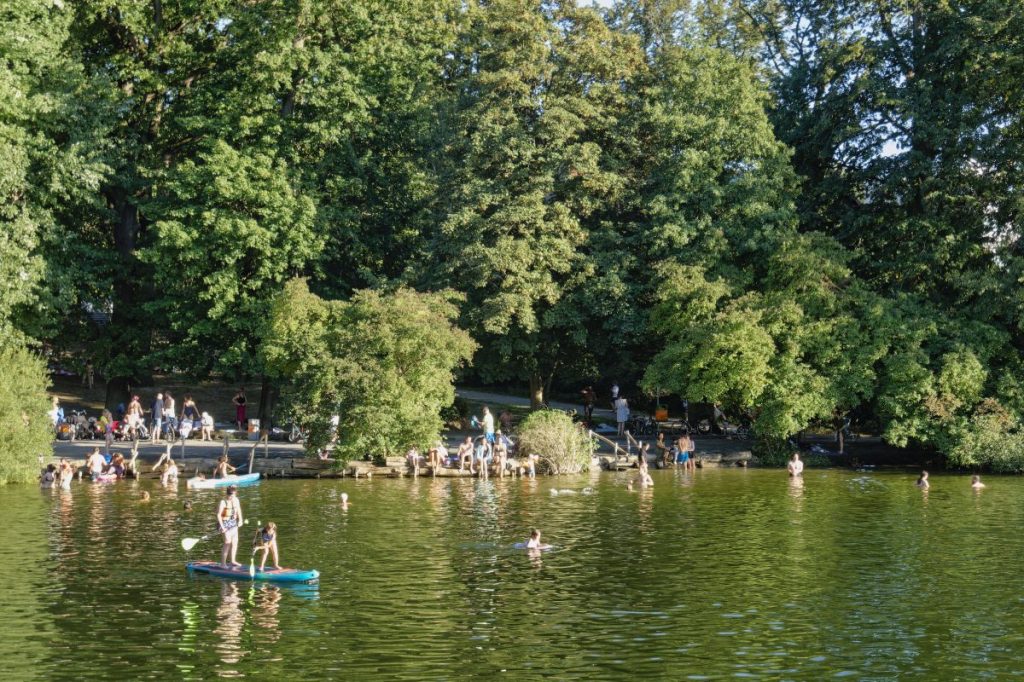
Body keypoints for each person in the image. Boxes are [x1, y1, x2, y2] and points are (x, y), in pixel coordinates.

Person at [217, 485, 244, 568]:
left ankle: (233, 560)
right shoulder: (223, 502)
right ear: (228, 495)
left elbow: (238, 510)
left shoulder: (236, 500)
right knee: (227, 542)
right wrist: (222, 527)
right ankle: (223, 564)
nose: (233, 497)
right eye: (231, 496)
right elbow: (218, 515)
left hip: (233, 523)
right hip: (224, 523)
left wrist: (240, 520)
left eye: (234, 495)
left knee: (235, 542)